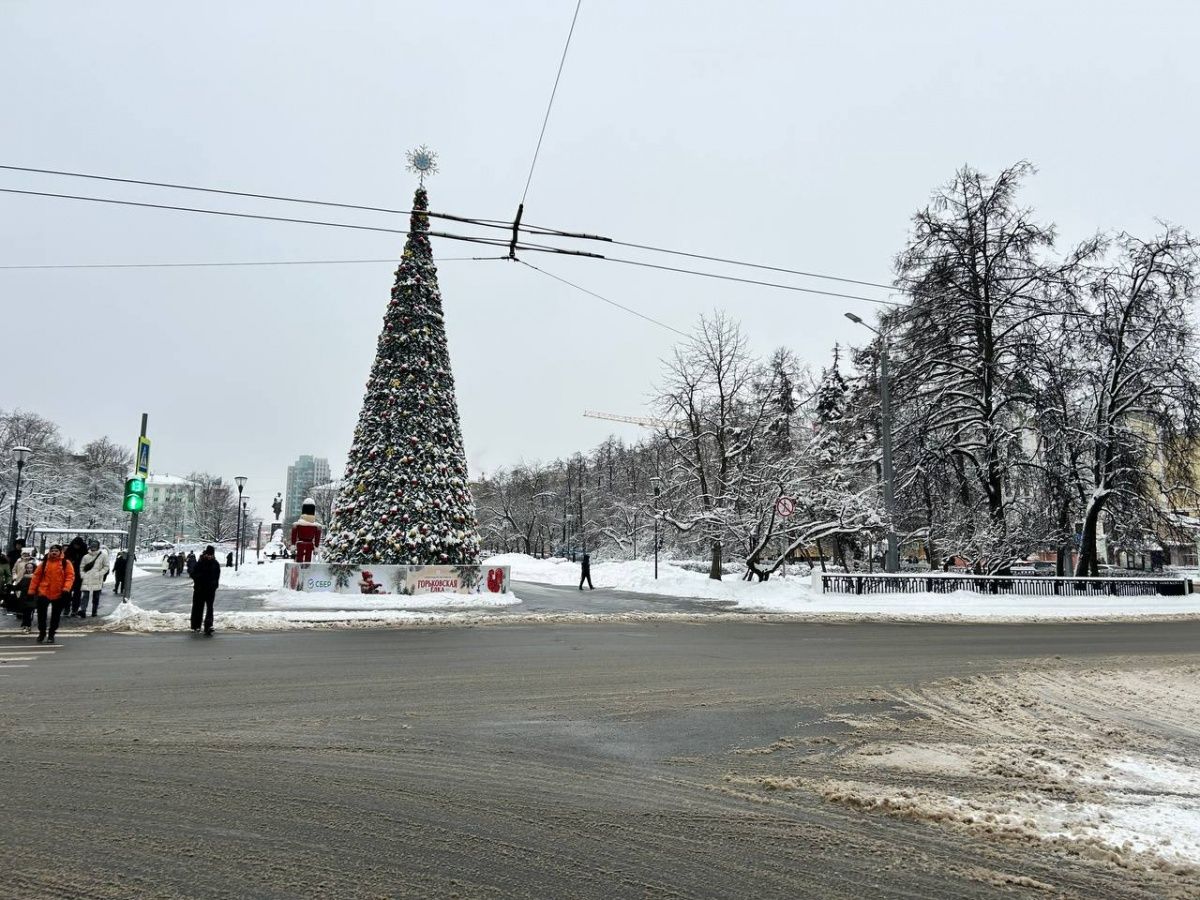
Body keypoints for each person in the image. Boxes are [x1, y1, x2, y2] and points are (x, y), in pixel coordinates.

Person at [28, 544, 75, 644]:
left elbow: (70, 577)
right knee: (41, 615)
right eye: (52, 550)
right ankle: (42, 633)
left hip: (59, 592)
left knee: (55, 616)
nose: (54, 552)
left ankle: (51, 634)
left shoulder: (66, 563)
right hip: (44, 592)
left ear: (60, 552)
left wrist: (66, 589)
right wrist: (31, 591)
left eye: (56, 551)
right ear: (49, 552)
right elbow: (36, 577)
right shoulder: (44, 563)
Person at [189, 545, 221, 636]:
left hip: (210, 590)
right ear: (206, 554)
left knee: (210, 608)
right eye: (208, 555)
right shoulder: (200, 562)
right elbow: (193, 574)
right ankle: (196, 625)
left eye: (211, 555)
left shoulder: (215, 564)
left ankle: (209, 626)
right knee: (198, 607)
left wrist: (214, 585)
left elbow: (217, 576)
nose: (209, 556)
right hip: (199, 589)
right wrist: (199, 579)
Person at [78, 540, 110, 617]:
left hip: (97, 579)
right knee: (85, 596)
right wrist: (83, 575)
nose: (93, 547)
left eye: (95, 546)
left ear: (98, 547)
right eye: (92, 545)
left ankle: (94, 611)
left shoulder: (103, 556)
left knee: (96, 596)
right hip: (87, 578)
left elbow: (106, 567)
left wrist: (99, 574)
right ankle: (83, 611)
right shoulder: (86, 556)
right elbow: (81, 567)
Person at [289, 498, 324, 563]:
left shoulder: (297, 524)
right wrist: (316, 546)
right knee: (308, 560)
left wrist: (293, 545)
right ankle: (306, 568)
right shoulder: (316, 526)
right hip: (310, 544)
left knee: (299, 560)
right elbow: (317, 537)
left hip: (300, 544)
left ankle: (299, 567)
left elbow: (294, 535)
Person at [12, 550, 36, 634]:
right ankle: (25, 624)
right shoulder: (25, 576)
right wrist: (13, 586)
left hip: (31, 596)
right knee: (25, 611)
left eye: (30, 568)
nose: (29, 569)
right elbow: (18, 586)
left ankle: (27, 626)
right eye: (28, 568)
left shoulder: (34, 577)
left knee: (28, 612)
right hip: (24, 596)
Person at [65, 536, 87, 616]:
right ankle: (67, 608)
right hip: (69, 574)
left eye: (78, 545)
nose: (76, 546)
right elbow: (65, 560)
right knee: (67, 592)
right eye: (75, 545)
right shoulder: (69, 550)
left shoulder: (84, 551)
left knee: (77, 593)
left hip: (79, 575)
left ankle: (75, 609)